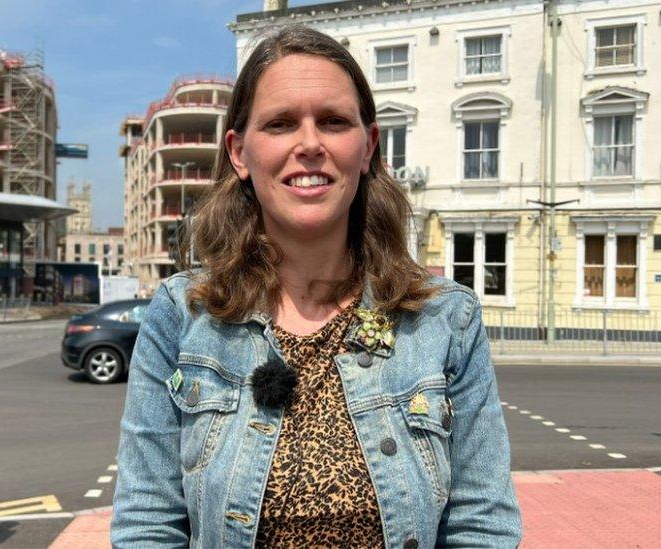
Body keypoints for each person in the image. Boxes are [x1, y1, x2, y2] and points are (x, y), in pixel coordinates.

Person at [111, 26, 521, 548]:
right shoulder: (182, 315)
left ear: (368, 145)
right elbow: (147, 524)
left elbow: (482, 525)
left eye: (333, 121)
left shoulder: (444, 319)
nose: (309, 144)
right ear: (239, 153)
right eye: (280, 123)